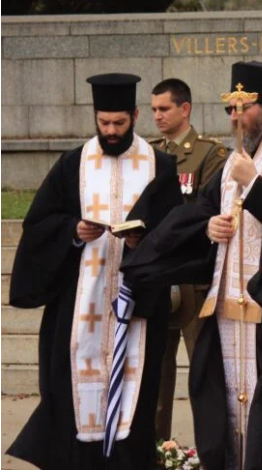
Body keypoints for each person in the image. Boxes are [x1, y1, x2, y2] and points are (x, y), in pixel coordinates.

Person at [121, 61, 262, 469]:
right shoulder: (233, 163)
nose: (235, 117)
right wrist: (209, 225)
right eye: (230, 108)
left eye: (242, 107)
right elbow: (203, 211)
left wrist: (257, 186)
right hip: (227, 316)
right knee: (226, 421)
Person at [6, 74, 183, 468]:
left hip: (136, 304)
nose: (111, 131)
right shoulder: (73, 164)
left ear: (135, 116)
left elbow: (176, 230)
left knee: (136, 397)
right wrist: (73, 231)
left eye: (119, 123)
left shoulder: (160, 165)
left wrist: (145, 241)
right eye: (104, 123)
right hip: (78, 304)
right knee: (69, 393)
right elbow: (38, 224)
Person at [149, 78, 228, 442]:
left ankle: (211, 452)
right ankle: (156, 454)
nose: (157, 116)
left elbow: (206, 210)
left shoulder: (209, 154)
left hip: (193, 277)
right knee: (156, 377)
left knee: (202, 372)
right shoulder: (148, 153)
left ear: (185, 109)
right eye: (153, 110)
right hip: (156, 276)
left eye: (164, 109)